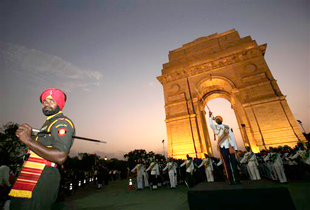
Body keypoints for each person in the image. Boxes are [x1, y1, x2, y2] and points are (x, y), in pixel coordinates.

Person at [9, 88, 75, 210]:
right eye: (45, 101)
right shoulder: (47, 124)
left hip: (44, 175)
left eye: (51, 100)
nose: (46, 103)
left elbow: (60, 156)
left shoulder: (62, 122)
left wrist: (28, 140)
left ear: (59, 104)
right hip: (33, 173)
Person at [209, 111, 240, 184]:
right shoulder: (216, 128)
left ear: (221, 120)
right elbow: (211, 124)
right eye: (216, 119)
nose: (217, 119)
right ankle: (231, 179)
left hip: (230, 146)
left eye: (219, 118)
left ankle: (237, 179)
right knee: (226, 164)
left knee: (234, 163)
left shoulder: (227, 127)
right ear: (216, 121)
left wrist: (235, 147)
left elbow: (232, 137)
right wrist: (210, 117)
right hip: (223, 147)